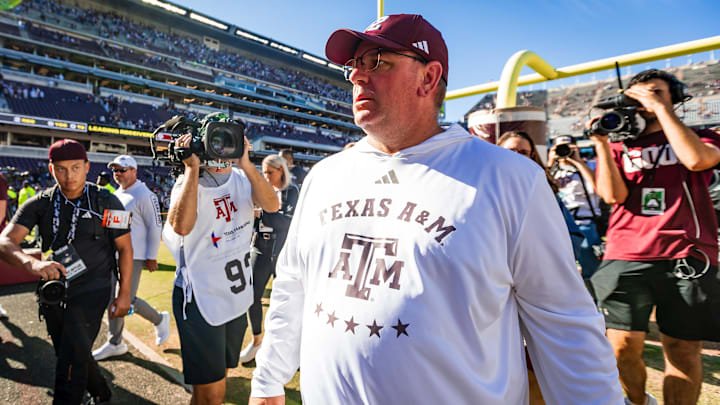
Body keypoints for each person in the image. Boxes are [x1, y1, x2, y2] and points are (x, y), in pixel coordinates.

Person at [249, 14, 622, 405]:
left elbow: (565, 326)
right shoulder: (325, 176)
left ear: (429, 78)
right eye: (354, 66)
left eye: (376, 61)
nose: (358, 76)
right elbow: (293, 286)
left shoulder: (510, 178)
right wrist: (268, 381)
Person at [589, 69, 720, 405]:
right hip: (626, 250)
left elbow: (696, 160)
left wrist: (660, 108)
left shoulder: (702, 135)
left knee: (682, 348)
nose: (646, 100)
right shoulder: (621, 145)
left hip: (686, 253)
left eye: (657, 92)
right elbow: (611, 195)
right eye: (639, 95)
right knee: (620, 346)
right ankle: (638, 400)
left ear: (674, 97)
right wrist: (602, 144)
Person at [0, 139, 133, 405]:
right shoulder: (40, 203)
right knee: (70, 350)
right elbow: (5, 241)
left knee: (70, 361)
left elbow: (125, 248)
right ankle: (101, 393)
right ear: (51, 170)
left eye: (75, 168)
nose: (69, 176)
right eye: (61, 169)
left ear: (86, 167)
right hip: (54, 291)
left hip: (93, 290)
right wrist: (33, 264)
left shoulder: (107, 200)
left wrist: (125, 293)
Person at [163, 132, 279, 405]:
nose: (222, 147)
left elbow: (272, 205)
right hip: (202, 299)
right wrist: (192, 168)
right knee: (212, 395)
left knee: (217, 383)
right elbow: (180, 227)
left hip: (234, 296)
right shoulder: (188, 183)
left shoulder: (242, 178)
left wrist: (247, 163)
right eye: (215, 139)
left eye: (228, 139)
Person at [93, 155, 170, 361]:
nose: (117, 174)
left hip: (134, 255)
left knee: (127, 299)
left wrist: (152, 256)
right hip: (114, 255)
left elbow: (155, 226)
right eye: (115, 170)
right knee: (114, 299)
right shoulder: (118, 194)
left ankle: (159, 319)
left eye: (122, 170)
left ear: (134, 171)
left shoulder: (145, 195)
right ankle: (115, 342)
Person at [238, 154, 299, 363]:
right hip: (260, 249)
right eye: (263, 172)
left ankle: (288, 348)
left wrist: (262, 214)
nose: (265, 176)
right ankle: (257, 342)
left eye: (269, 172)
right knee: (251, 297)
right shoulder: (258, 190)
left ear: (281, 170)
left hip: (283, 253)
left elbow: (287, 224)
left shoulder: (292, 191)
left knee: (286, 303)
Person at [548, 135, 604, 280]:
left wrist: (578, 161)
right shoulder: (552, 170)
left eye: (568, 147)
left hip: (584, 223)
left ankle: (593, 297)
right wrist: (551, 161)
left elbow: (599, 188)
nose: (564, 151)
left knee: (591, 269)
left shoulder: (589, 166)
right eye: (559, 148)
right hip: (559, 224)